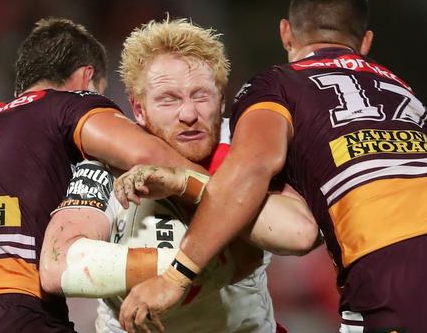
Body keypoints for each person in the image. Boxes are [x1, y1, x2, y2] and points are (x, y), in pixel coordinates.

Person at [116, 0, 427, 333]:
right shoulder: (404, 90)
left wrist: (175, 277)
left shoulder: (277, 84)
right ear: (366, 43)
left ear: (286, 34)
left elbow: (250, 171)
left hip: (390, 262)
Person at [0, 17, 200, 333]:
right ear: (87, 78)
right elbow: (149, 158)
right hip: (10, 308)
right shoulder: (67, 103)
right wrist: (226, 195)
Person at [38, 18, 318, 333]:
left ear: (221, 100)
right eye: (168, 99)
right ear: (138, 108)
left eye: (201, 96)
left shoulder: (242, 147)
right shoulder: (105, 161)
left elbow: (299, 233)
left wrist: (183, 181)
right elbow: (58, 265)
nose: (188, 114)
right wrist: (178, 272)